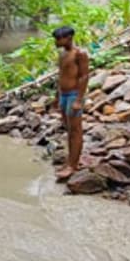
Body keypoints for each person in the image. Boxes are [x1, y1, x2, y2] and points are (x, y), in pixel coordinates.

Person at [52, 25, 90, 181]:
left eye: (58, 39)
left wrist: (79, 100)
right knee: (69, 129)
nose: (56, 42)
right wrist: (56, 96)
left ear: (68, 38)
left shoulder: (79, 54)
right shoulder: (63, 54)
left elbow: (84, 76)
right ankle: (71, 161)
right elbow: (61, 75)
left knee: (75, 131)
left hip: (74, 94)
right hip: (64, 94)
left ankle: (73, 166)